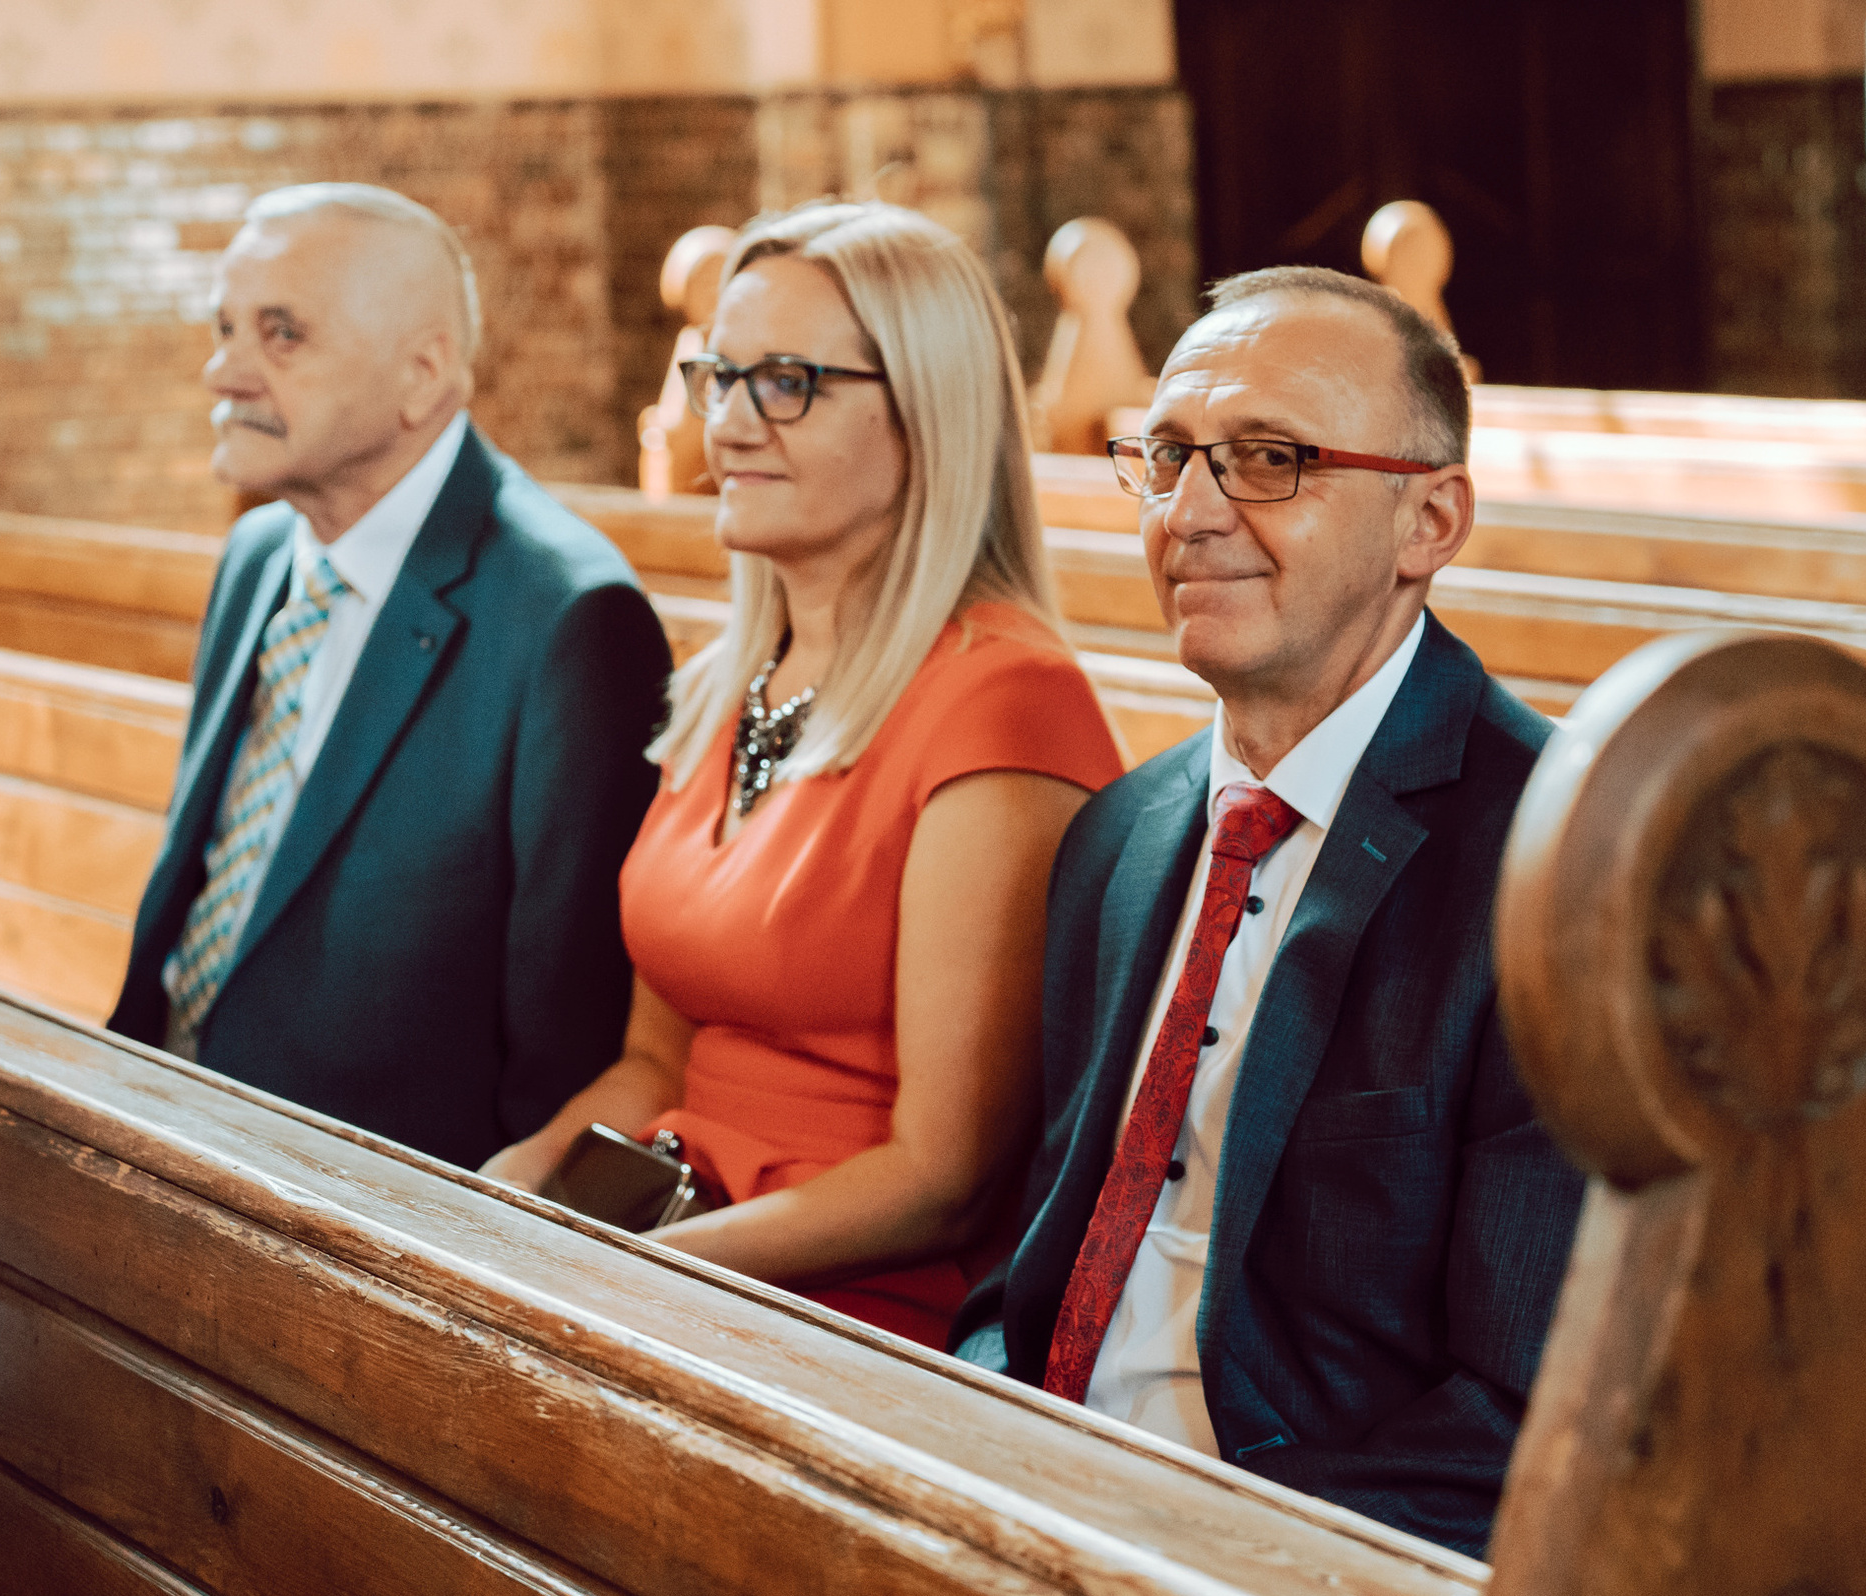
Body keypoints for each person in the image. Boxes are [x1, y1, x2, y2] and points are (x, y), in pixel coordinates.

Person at [950, 268, 1586, 1557]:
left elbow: (1520, 1424)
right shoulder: (1119, 836)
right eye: (1168, 455)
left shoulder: (1552, 863)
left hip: (1301, 1565)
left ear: (1431, 521)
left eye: (1267, 459)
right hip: (1037, 1504)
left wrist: (1172, 1546)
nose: (1188, 511)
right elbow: (1030, 1270)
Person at [483, 203, 1124, 1351]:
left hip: (856, 1308)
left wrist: (629, 1269)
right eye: (717, 376)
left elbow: (946, 1179)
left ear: (927, 413)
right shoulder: (724, 681)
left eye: (785, 381)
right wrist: (510, 1192)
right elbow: (653, 1063)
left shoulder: (1004, 699)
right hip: (680, 1235)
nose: (726, 423)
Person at [108, 184, 670, 1171]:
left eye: (282, 335)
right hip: (171, 1127)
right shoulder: (259, 553)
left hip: (377, 1203)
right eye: (226, 326)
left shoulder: (568, 619)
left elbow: (562, 1052)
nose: (223, 369)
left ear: (422, 374)